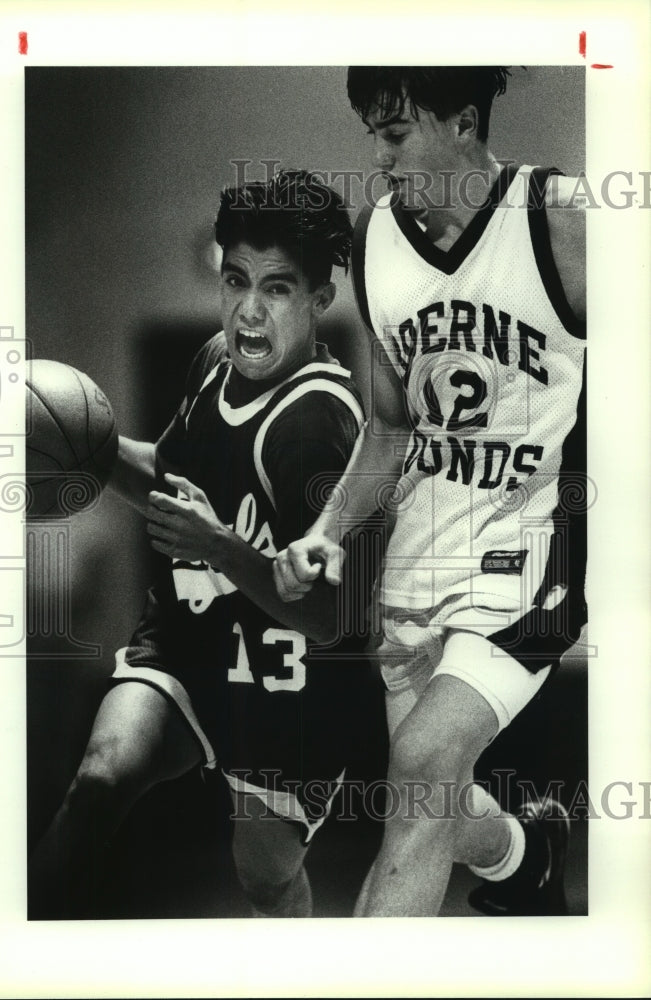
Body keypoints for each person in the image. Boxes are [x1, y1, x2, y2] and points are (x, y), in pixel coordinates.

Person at [273, 67, 587, 917]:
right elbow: (387, 428)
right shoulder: (377, 239)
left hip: (532, 549)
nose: (376, 158)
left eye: (395, 134)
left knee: (417, 768)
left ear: (463, 120)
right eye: (371, 134)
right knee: (432, 794)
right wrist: (327, 529)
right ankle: (522, 853)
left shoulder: (558, 218)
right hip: (420, 552)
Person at [29, 169, 383, 919]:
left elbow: (328, 617)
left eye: (277, 289)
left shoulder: (318, 424)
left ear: (320, 300)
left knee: (264, 879)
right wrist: (77, 446)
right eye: (234, 281)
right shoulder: (210, 361)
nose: (248, 312)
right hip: (189, 646)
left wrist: (220, 548)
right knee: (98, 779)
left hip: (289, 689)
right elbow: (170, 470)